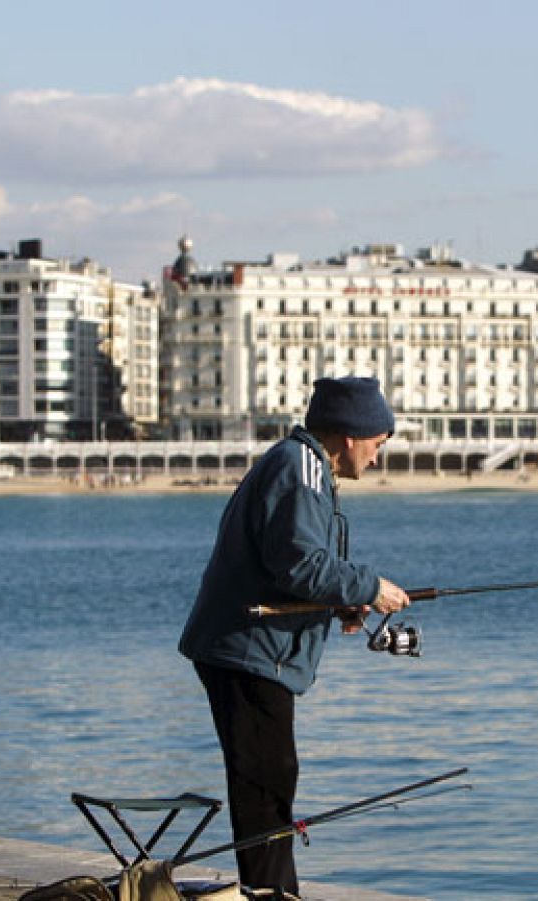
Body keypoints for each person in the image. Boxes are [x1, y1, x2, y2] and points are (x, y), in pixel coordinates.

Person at [178, 376, 411, 899]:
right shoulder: (300, 466)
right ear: (350, 437)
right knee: (266, 783)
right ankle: (271, 893)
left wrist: (342, 602)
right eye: (378, 445)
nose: (377, 459)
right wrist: (370, 587)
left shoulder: (300, 465)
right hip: (247, 651)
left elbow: (286, 564)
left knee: (270, 779)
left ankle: (274, 889)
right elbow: (301, 563)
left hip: (249, 648)